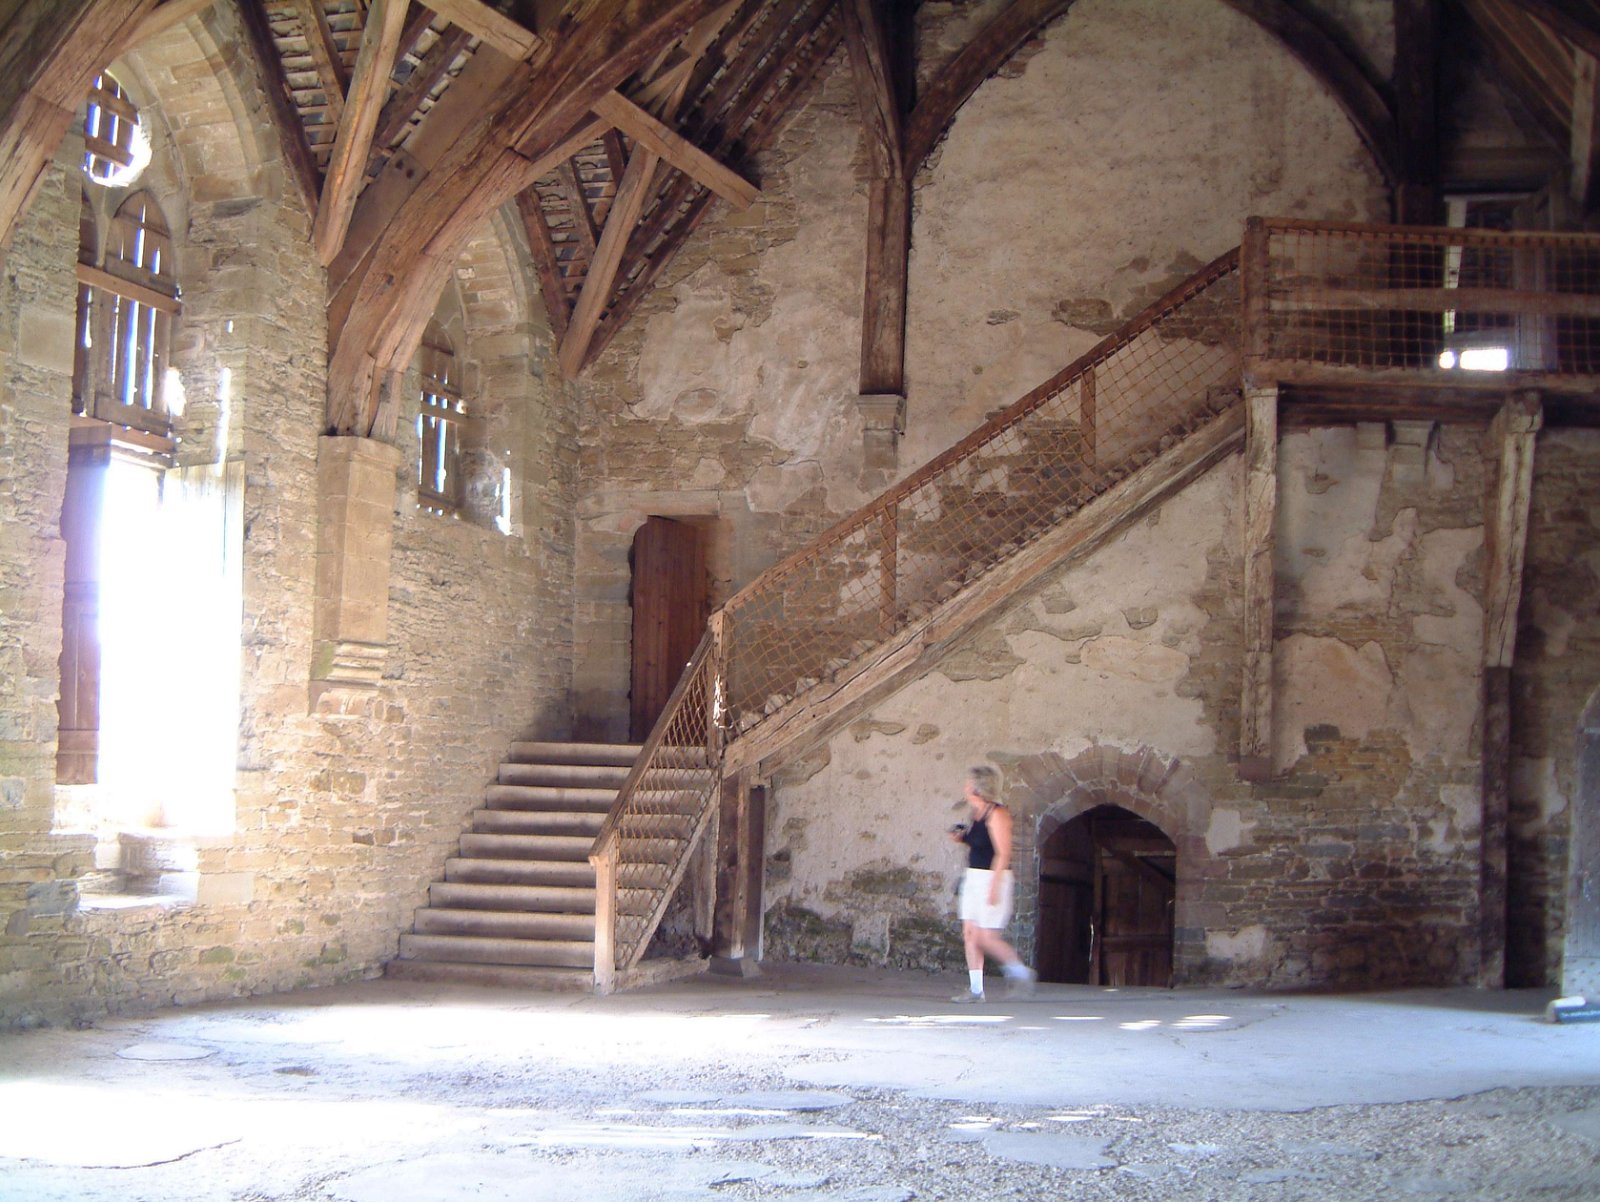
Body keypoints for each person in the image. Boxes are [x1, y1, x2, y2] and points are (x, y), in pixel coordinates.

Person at [947, 765, 1037, 1003]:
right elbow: (980, 844)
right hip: (974, 878)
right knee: (970, 933)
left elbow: (1003, 853)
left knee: (986, 937)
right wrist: (962, 838)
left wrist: (994, 887)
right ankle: (976, 990)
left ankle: (1020, 971)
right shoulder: (976, 813)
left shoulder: (997, 814)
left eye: (969, 783)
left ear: (978, 787)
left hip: (993, 877)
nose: (965, 787)